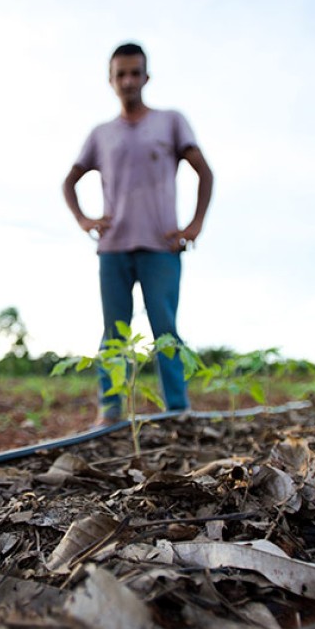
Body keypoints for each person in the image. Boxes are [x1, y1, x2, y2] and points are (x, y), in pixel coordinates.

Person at [62, 42, 213, 424]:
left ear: (146, 77)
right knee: (114, 332)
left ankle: (177, 410)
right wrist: (84, 220)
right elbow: (70, 181)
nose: (128, 81)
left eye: (135, 73)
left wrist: (194, 225)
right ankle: (111, 412)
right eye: (121, 75)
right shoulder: (101, 134)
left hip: (161, 246)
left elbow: (204, 172)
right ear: (110, 80)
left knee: (165, 330)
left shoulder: (170, 122)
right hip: (113, 248)